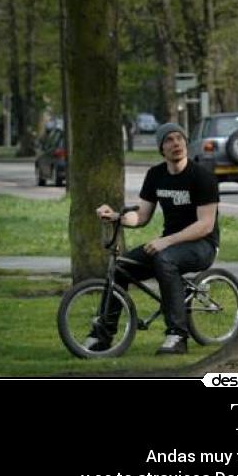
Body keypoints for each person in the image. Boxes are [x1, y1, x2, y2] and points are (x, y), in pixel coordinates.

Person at [91, 122, 219, 355]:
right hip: (168, 245)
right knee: (121, 267)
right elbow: (141, 215)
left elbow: (205, 225)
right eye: (169, 140)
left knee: (164, 260)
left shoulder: (202, 177)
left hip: (203, 245)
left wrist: (166, 241)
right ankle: (102, 335)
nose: (176, 143)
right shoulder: (155, 175)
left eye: (179, 138)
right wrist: (117, 217)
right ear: (161, 148)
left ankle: (177, 336)